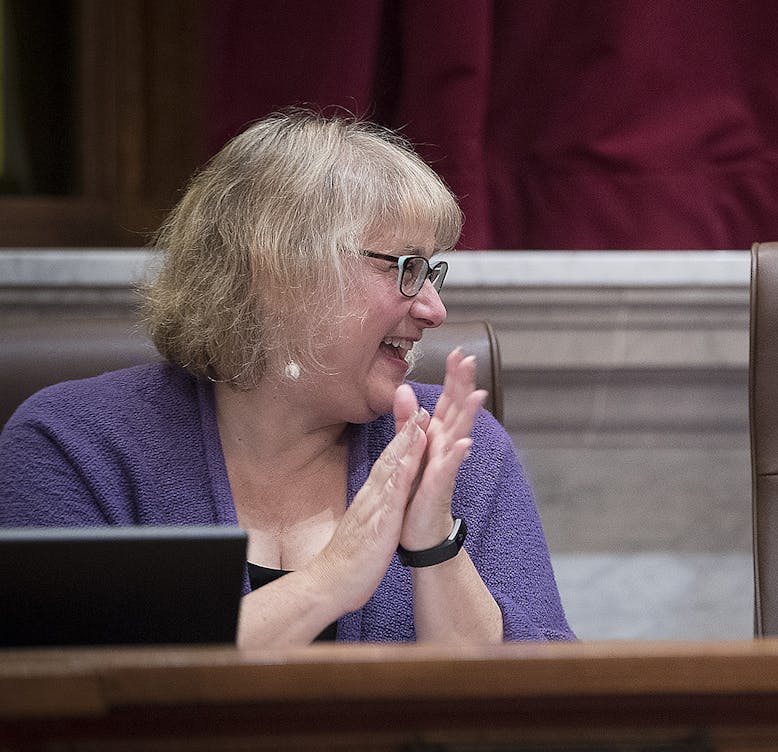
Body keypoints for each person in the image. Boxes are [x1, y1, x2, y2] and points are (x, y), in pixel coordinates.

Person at [0, 110, 574, 646]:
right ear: (281, 270)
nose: (433, 309)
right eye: (406, 268)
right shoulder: (74, 445)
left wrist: (435, 545)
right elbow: (59, 684)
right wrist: (330, 581)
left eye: (433, 273)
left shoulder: (461, 451)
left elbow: (537, 702)